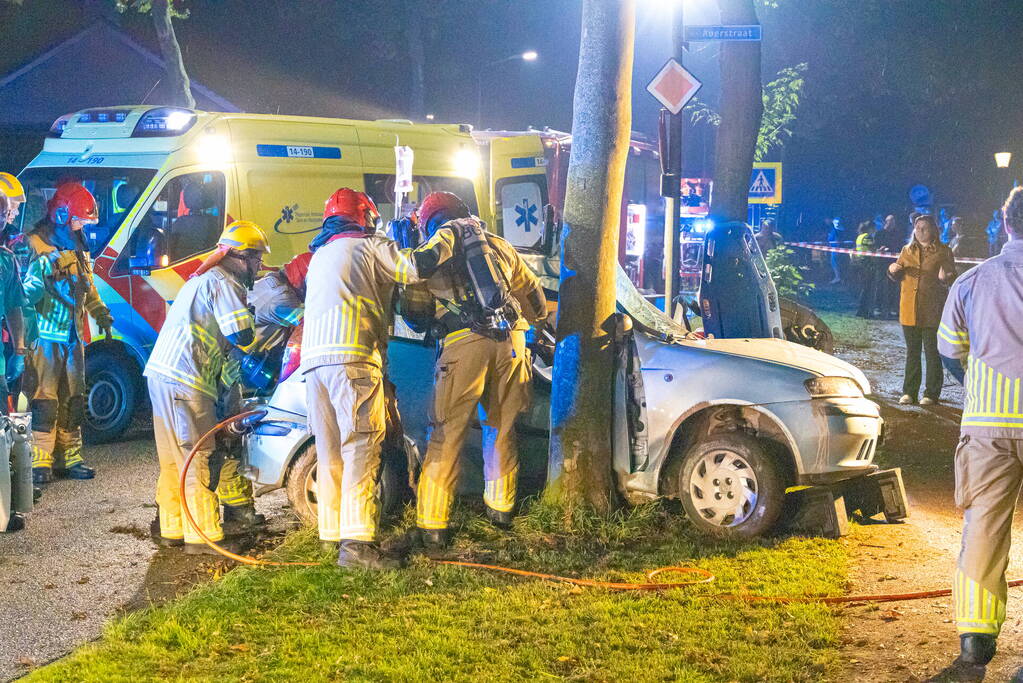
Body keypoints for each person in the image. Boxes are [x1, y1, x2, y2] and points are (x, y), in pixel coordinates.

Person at [407, 191, 547, 550]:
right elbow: (535, 298)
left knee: (445, 434)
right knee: (501, 428)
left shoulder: (440, 242)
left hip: (463, 345)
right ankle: (501, 511)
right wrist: (532, 329)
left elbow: (416, 312)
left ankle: (433, 525)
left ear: (428, 222)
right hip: (511, 343)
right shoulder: (499, 245)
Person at [300, 188, 418, 570]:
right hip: (352, 358)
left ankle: (331, 536)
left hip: (314, 364)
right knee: (362, 446)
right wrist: (412, 240)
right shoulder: (369, 245)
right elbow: (414, 270)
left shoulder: (321, 254)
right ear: (365, 217)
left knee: (331, 450)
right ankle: (357, 548)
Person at [936, 186, 1023, 671]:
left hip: (989, 426)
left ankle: (975, 641)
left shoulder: (971, 282)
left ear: (1006, 224)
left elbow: (949, 351)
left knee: (984, 532)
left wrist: (979, 384)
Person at [144, 220, 268, 553]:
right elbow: (241, 335)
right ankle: (203, 537)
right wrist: (258, 329)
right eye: (257, 259)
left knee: (174, 460)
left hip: (161, 374)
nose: (259, 266)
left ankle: (173, 528)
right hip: (187, 379)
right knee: (198, 456)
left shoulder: (201, 280)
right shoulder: (223, 281)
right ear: (239, 257)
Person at [23, 182, 112, 485]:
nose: (81, 225)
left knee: (74, 398)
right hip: (47, 338)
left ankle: (70, 458)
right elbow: (24, 293)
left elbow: (87, 285)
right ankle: (40, 461)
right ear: (61, 214)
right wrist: (43, 275)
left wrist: (100, 313)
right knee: (45, 400)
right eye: (78, 219)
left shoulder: (77, 244)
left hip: (74, 338)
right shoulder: (36, 245)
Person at [888, 214, 955, 406]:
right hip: (909, 309)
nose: (920, 231)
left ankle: (931, 393)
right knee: (912, 352)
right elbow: (897, 273)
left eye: (925, 228)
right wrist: (892, 271)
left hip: (932, 310)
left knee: (932, 353)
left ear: (933, 230)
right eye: (918, 228)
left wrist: (946, 276)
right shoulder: (906, 250)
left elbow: (950, 276)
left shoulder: (944, 251)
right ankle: (909, 392)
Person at [240, 251, 311, 391]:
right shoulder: (282, 299)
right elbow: (310, 323)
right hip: (244, 367)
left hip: (238, 359)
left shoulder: (270, 282)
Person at [874, 214, 904, 319]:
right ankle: (878, 307)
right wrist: (880, 249)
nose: (891, 224)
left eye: (893, 222)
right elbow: (875, 247)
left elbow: (900, 247)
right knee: (880, 285)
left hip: (893, 263)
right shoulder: (879, 234)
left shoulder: (897, 234)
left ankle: (892, 308)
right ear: (885, 222)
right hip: (881, 263)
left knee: (893, 286)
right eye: (889, 222)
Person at [854, 220, 879, 318]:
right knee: (869, 289)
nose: (875, 230)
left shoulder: (859, 236)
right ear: (871, 228)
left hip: (861, 264)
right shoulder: (868, 237)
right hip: (868, 264)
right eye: (874, 228)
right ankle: (867, 312)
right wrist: (879, 251)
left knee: (864, 288)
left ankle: (861, 310)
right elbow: (872, 250)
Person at [827, 216, 846, 284]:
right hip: (835, 249)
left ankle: (838, 277)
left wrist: (837, 249)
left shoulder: (835, 230)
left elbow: (837, 241)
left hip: (836, 249)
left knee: (835, 263)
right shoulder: (837, 230)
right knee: (837, 263)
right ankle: (839, 278)